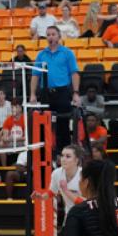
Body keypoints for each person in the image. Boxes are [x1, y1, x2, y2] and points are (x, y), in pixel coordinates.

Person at [35, 145, 83, 236]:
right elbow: (52, 191)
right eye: (62, 155)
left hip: (89, 215)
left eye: (68, 156)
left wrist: (67, 191)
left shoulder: (84, 176)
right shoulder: (57, 174)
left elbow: (84, 202)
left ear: (77, 160)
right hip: (72, 216)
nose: (63, 159)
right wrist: (41, 197)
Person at [31, 26, 80, 158]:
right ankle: (45, 156)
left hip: (63, 92)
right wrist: (32, 94)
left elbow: (74, 73)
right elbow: (35, 75)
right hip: (46, 93)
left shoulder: (67, 53)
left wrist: (75, 93)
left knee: (63, 124)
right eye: (48, 35)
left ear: (59, 36)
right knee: (44, 124)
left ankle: (65, 155)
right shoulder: (41, 54)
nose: (50, 37)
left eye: (53, 34)